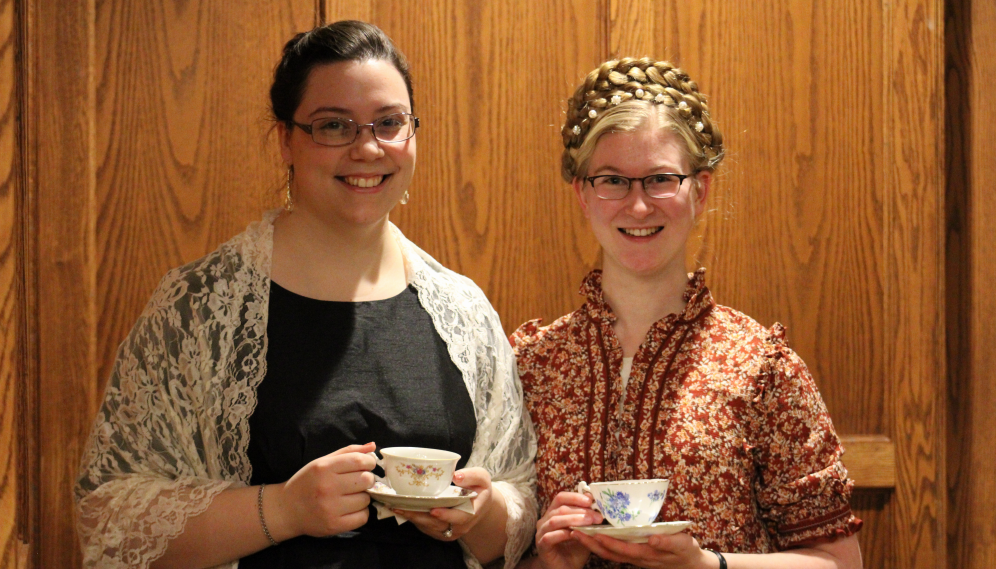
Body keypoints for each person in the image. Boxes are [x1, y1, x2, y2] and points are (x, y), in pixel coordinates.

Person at [75, 20, 536, 569]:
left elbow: (517, 505)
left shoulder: (464, 311)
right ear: (285, 139)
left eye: (389, 123)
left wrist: (480, 513)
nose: (367, 148)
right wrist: (284, 510)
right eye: (333, 126)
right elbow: (109, 518)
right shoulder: (200, 306)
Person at [511, 58, 863, 569]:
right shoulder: (530, 365)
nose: (637, 206)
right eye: (612, 180)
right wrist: (547, 563)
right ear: (583, 196)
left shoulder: (761, 367)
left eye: (659, 179)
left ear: (700, 191)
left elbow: (840, 562)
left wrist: (706, 565)